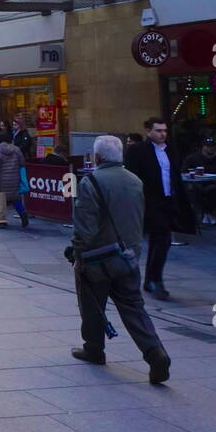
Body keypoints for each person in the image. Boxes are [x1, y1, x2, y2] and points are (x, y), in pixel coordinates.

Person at [68, 134, 171, 384]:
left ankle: (94, 348)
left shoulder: (91, 181)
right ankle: (154, 351)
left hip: (98, 258)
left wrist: (76, 250)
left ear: (98, 157)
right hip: (128, 256)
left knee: (92, 303)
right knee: (133, 306)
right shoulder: (135, 180)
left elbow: (86, 227)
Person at [124, 117, 195, 300]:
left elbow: (174, 175)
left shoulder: (171, 150)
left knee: (160, 240)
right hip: (150, 201)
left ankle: (151, 279)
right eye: (158, 130)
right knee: (162, 239)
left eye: (164, 130)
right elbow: (132, 177)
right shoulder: (137, 150)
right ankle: (156, 280)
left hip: (168, 200)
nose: (162, 134)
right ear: (149, 131)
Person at [0, 129, 29, 228]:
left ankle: (1, 220)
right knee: (15, 198)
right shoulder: (16, 149)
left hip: (1, 181)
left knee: (2, 200)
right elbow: (22, 163)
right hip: (14, 179)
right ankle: (23, 214)